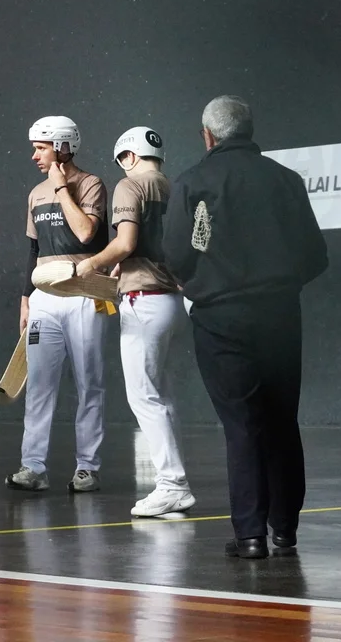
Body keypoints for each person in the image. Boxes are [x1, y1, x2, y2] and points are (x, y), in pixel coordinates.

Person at [161, 95, 328, 559]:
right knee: (281, 420)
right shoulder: (287, 180)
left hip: (220, 319)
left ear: (208, 136)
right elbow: (316, 255)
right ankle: (285, 530)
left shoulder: (192, 182)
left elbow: (175, 255)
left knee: (242, 425)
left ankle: (251, 535)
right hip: (280, 316)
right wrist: (279, 285)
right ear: (249, 131)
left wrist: (203, 283)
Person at [77, 126, 195, 517]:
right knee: (162, 396)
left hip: (144, 303)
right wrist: (123, 267)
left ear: (129, 156)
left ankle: (173, 485)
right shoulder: (174, 188)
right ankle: (175, 482)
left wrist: (92, 263)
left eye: (121, 161)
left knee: (144, 396)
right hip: (173, 302)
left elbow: (126, 243)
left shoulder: (130, 186)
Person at [7, 115, 113, 494]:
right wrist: (26, 300)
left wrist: (62, 188)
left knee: (90, 384)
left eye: (41, 148)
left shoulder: (91, 184)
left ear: (63, 147)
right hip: (44, 301)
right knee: (39, 384)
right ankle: (33, 467)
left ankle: (87, 468)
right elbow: (33, 250)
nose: (35, 156)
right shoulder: (35, 194)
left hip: (85, 296)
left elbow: (85, 232)